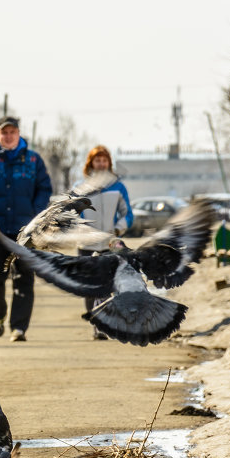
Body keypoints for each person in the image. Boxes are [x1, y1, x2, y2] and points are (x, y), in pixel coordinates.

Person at [0, 116, 53, 342]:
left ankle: (19, 328)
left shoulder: (33, 161)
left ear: (18, 134)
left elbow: (44, 188)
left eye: (12, 132)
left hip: (25, 233)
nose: (8, 136)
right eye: (4, 133)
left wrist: (36, 212)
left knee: (23, 280)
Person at [76, 145, 133, 339]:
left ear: (109, 163)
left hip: (110, 243)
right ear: (90, 163)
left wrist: (118, 229)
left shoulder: (118, 187)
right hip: (86, 243)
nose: (101, 164)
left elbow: (128, 214)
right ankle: (97, 324)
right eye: (97, 160)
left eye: (104, 160)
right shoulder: (81, 187)